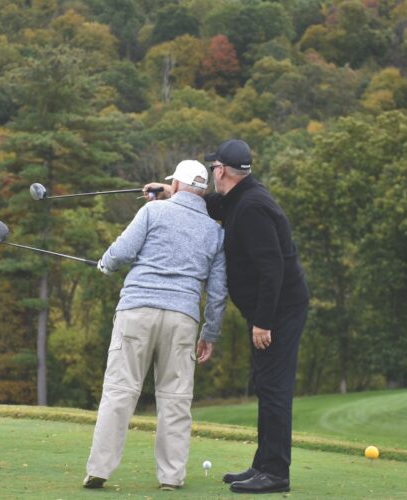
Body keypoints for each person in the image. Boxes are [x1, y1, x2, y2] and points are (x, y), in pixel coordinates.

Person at [145, 139, 310, 494]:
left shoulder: (252, 207)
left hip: (280, 310)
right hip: (269, 308)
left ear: (220, 171)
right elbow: (211, 204)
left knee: (275, 389)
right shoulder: (239, 197)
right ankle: (263, 465)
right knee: (265, 384)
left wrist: (263, 322)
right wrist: (172, 191)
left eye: (213, 168)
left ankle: (276, 472)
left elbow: (272, 271)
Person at [83, 160, 227, 491]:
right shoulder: (216, 232)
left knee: (120, 392)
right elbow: (218, 293)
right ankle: (171, 477)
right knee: (175, 399)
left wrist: (105, 264)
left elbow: (121, 252)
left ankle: (99, 469)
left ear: (174, 185)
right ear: (202, 191)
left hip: (137, 310)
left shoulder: (152, 213)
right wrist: (210, 333)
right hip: (183, 319)